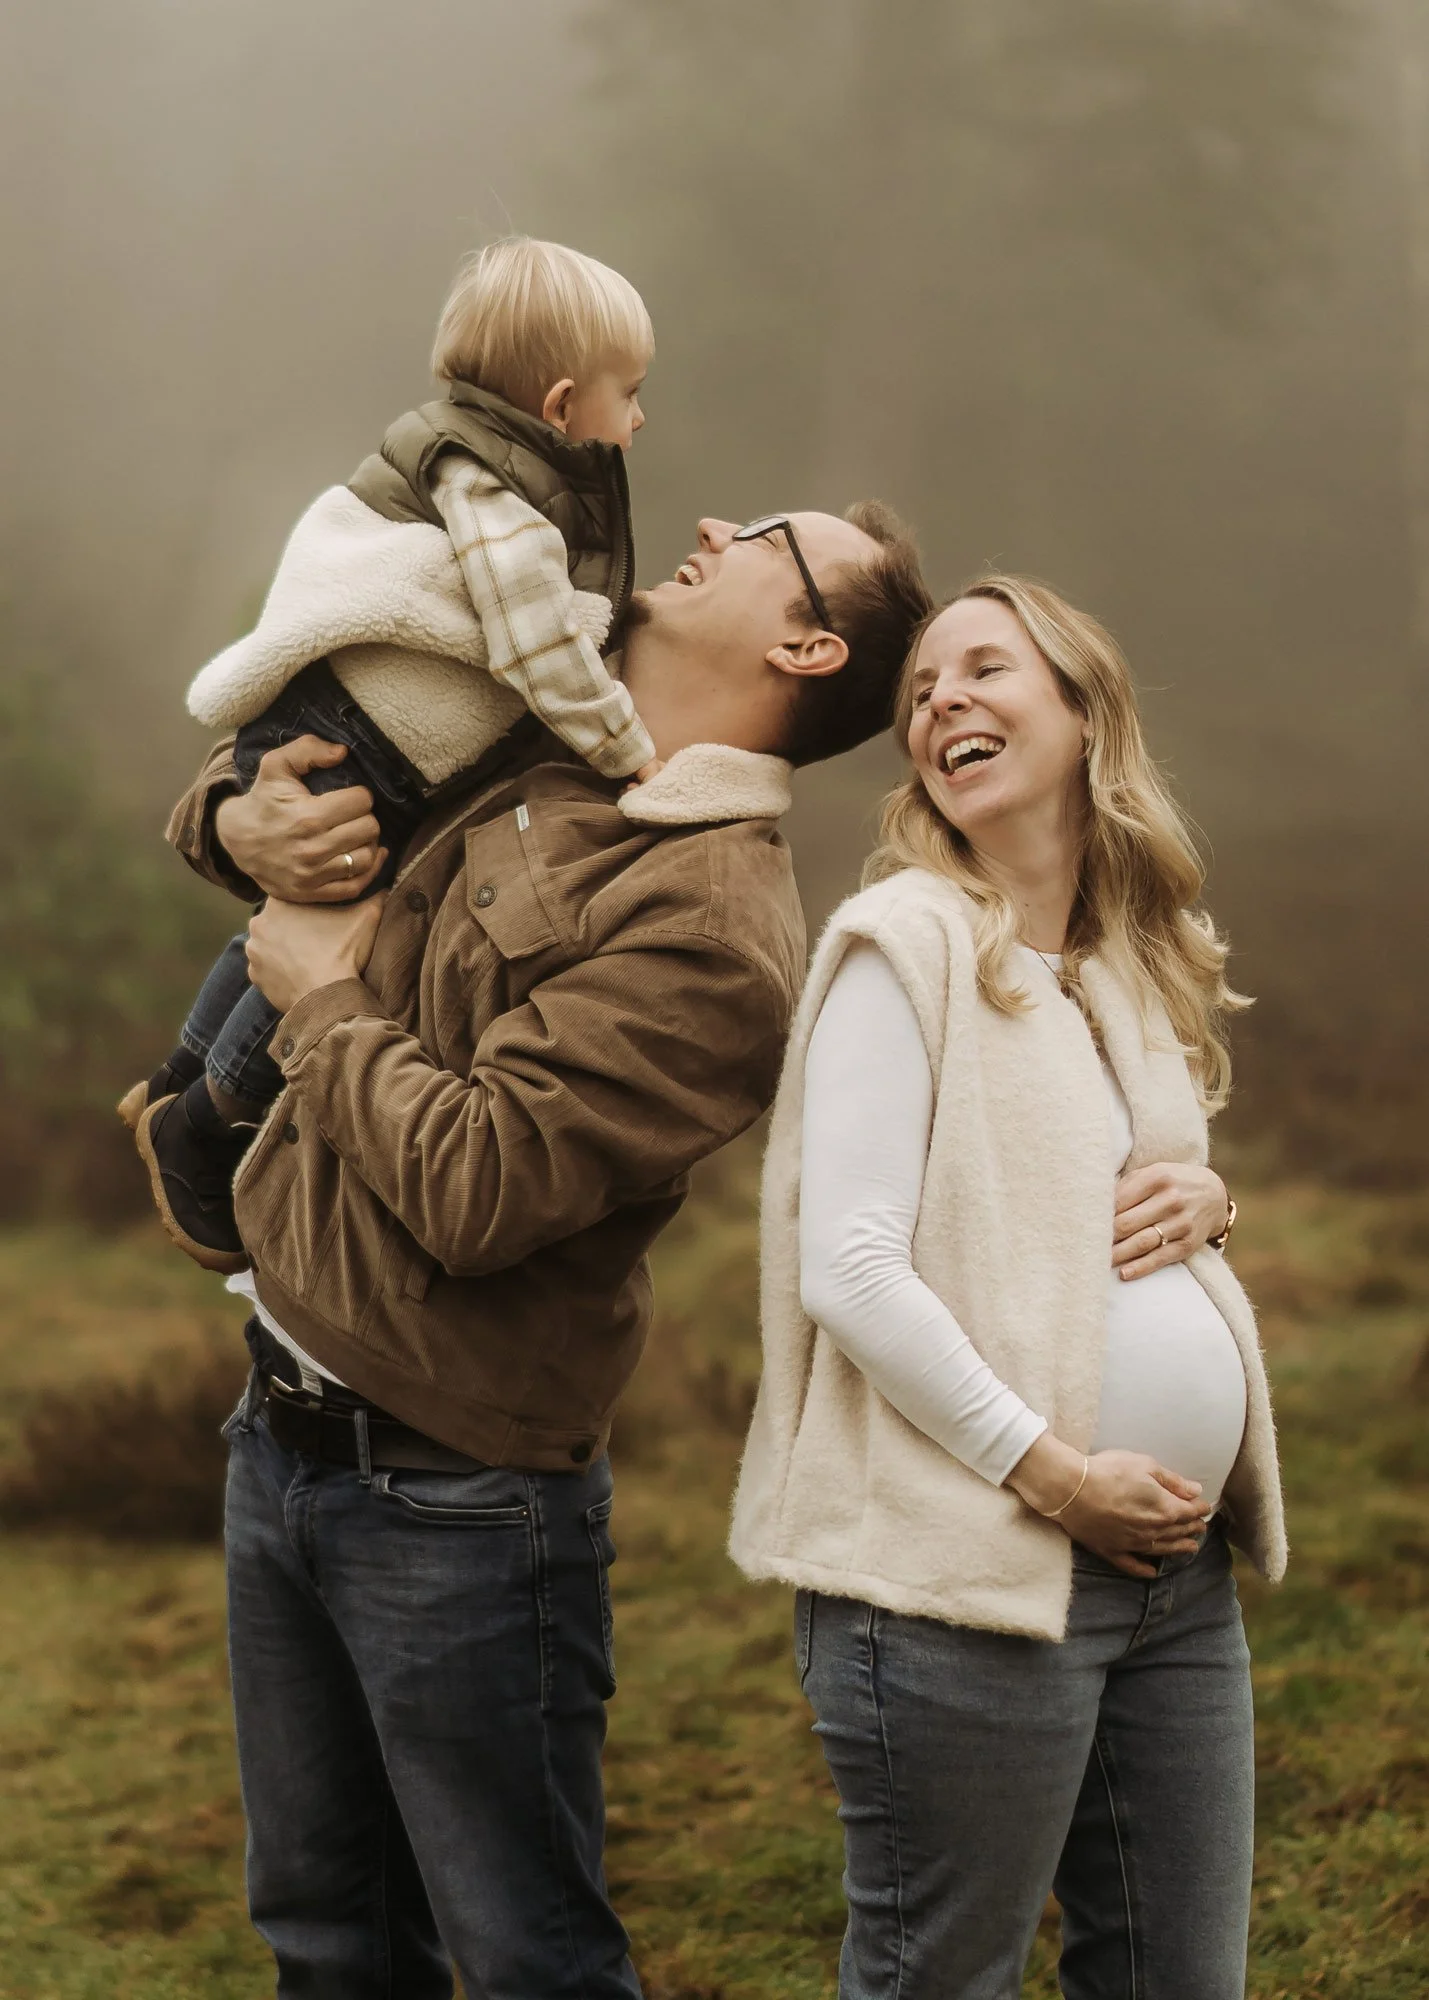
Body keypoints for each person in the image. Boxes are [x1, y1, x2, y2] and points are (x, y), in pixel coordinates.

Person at [165, 504, 932, 1997]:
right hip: (278, 1436)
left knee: (531, 1958)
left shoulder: (713, 926)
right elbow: (300, 747)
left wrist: (323, 1005)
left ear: (807, 646)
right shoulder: (525, 711)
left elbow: (479, 1187)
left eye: (765, 537)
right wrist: (239, 819)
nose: (709, 521)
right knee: (322, 1937)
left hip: (455, 1503)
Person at [730, 574, 1287, 2000]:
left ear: (1084, 710)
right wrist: (1058, 1477)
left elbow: (1105, 1202)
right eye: (921, 691)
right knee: (942, 1980)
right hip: (959, 1587)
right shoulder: (904, 945)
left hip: (1174, 1587)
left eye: (985, 669)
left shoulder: (1128, 958)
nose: (942, 704)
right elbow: (851, 1270)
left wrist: (1210, 1202)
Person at [122, 236, 661, 1271]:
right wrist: (624, 748)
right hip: (357, 736)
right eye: (629, 394)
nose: (638, 421)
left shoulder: (489, 465)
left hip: (346, 728)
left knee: (293, 917)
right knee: (330, 931)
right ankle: (206, 1122)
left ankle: (178, 1077)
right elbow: (534, 642)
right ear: (558, 405)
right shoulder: (496, 494)